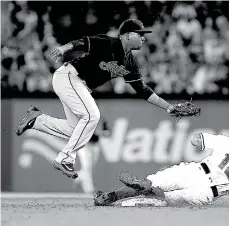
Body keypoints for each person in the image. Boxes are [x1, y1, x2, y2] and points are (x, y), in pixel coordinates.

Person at [15, 19, 176, 179]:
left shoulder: (130, 63)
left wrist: (169, 107)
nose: (143, 38)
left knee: (75, 129)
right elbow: (84, 42)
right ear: (127, 35)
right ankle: (65, 158)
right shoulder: (109, 43)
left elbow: (143, 91)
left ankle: (36, 120)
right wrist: (64, 48)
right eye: (139, 34)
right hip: (70, 77)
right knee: (92, 116)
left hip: (78, 84)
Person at [94, 127, 229, 207]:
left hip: (196, 171)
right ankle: (149, 194)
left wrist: (198, 138)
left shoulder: (227, 142)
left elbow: (195, 140)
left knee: (152, 181)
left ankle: (113, 196)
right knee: (160, 200)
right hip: (206, 194)